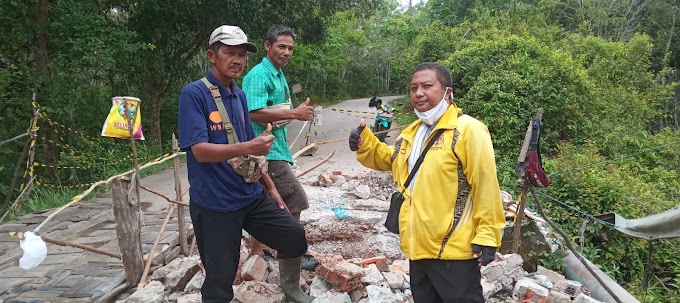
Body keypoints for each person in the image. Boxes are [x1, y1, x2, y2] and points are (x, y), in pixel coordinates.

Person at [348, 62, 506, 303]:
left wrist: (487, 235)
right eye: (413, 88)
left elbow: (485, 185)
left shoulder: (467, 130)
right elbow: (392, 160)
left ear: (447, 91)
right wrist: (365, 143)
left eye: (427, 86)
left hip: (453, 250)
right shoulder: (413, 131)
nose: (418, 93)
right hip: (417, 244)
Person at [178, 25, 313, 303]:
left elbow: (251, 153)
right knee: (220, 277)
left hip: (249, 196)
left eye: (241, 54)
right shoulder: (194, 95)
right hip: (215, 204)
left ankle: (291, 290)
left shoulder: (238, 94)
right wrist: (249, 146)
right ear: (212, 56)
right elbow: (200, 152)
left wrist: (271, 188)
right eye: (229, 53)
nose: (237, 59)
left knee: (293, 235)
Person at [242, 25, 317, 268]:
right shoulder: (259, 75)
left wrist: (291, 113)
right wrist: (294, 113)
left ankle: (258, 251)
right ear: (267, 46)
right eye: (281, 46)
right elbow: (252, 112)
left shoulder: (278, 73)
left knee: (268, 202)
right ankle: (291, 252)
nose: (286, 52)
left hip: (276, 148)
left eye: (290, 48)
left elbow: (277, 110)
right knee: (295, 199)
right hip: (265, 149)